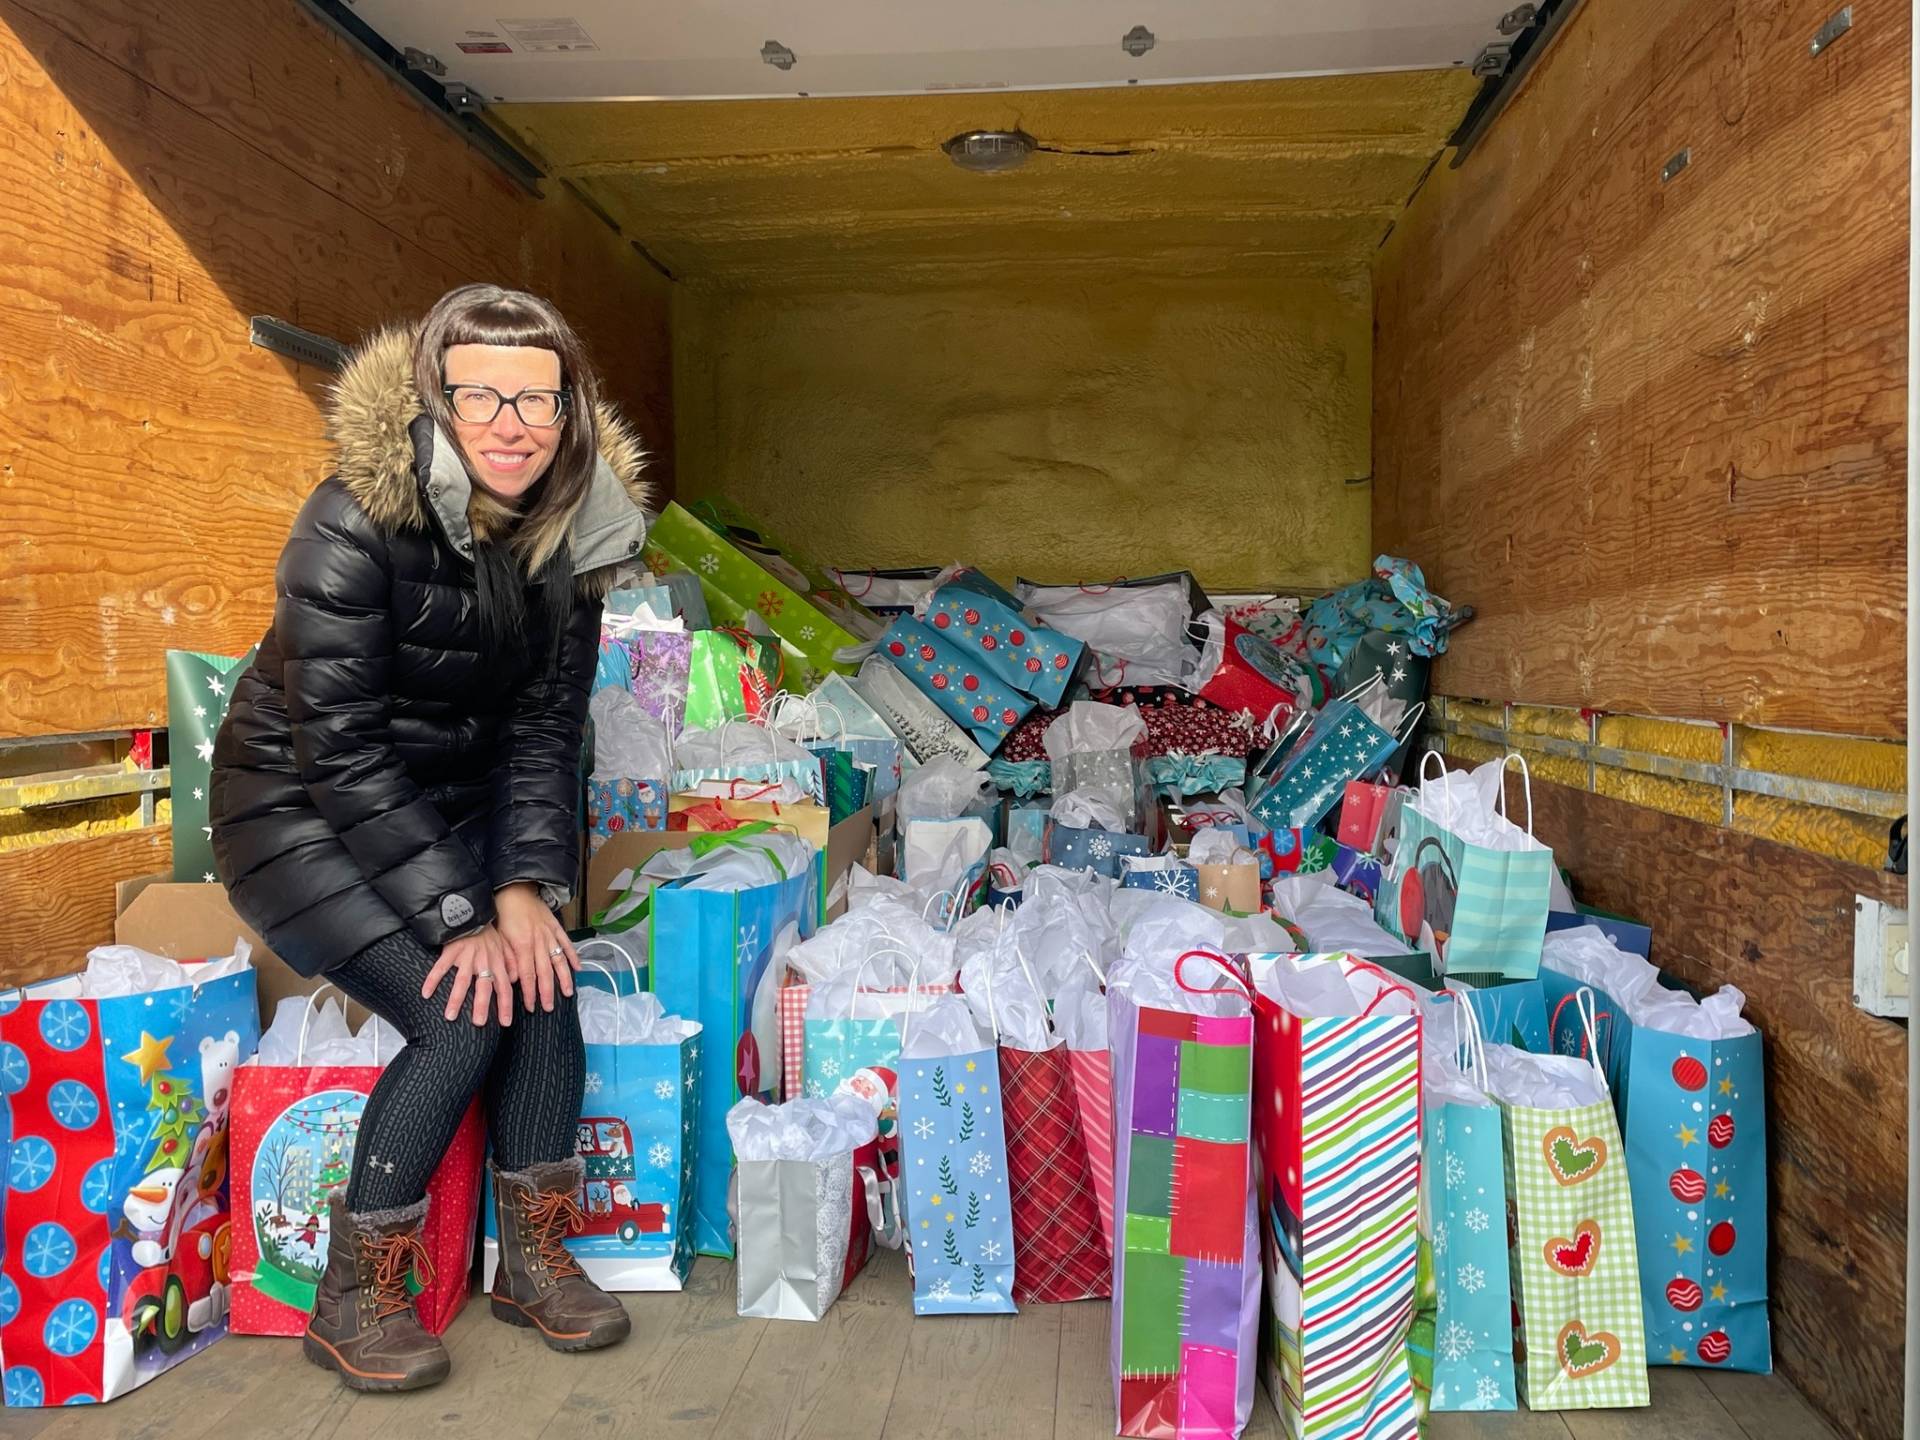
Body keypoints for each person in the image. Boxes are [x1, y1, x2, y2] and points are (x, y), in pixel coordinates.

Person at [211, 284, 651, 1391]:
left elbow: (546, 735)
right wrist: (462, 912)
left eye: (538, 399)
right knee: (461, 1011)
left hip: (445, 817)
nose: (511, 422)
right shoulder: (350, 522)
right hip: (301, 813)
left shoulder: (570, 540)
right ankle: (356, 1294)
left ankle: (532, 1262)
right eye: (482, 394)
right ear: (435, 400)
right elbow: (341, 750)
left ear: (570, 414)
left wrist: (526, 890)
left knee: (542, 983)